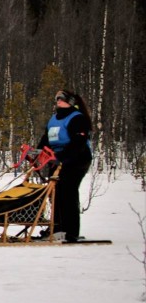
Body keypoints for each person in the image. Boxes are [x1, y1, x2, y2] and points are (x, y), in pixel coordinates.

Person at [37, 89, 93, 242]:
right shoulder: (54, 119)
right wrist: (37, 153)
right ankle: (57, 228)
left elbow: (79, 143)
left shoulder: (77, 118)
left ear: (71, 101)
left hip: (77, 160)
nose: (58, 101)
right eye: (56, 98)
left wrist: (62, 157)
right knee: (55, 194)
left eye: (61, 98)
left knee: (68, 193)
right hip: (57, 160)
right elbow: (46, 139)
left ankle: (70, 231)